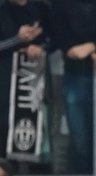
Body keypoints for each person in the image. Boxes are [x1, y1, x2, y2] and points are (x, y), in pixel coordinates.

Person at [50, 0, 96, 174]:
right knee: (79, 135)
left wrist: (92, 47)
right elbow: (61, 38)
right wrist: (90, 51)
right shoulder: (61, 4)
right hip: (74, 73)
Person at [0, 0, 50, 159]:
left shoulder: (41, 8)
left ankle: (32, 166)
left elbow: (55, 36)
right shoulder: (2, 9)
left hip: (36, 81)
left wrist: (41, 47)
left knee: (36, 125)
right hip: (4, 80)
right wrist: (18, 39)